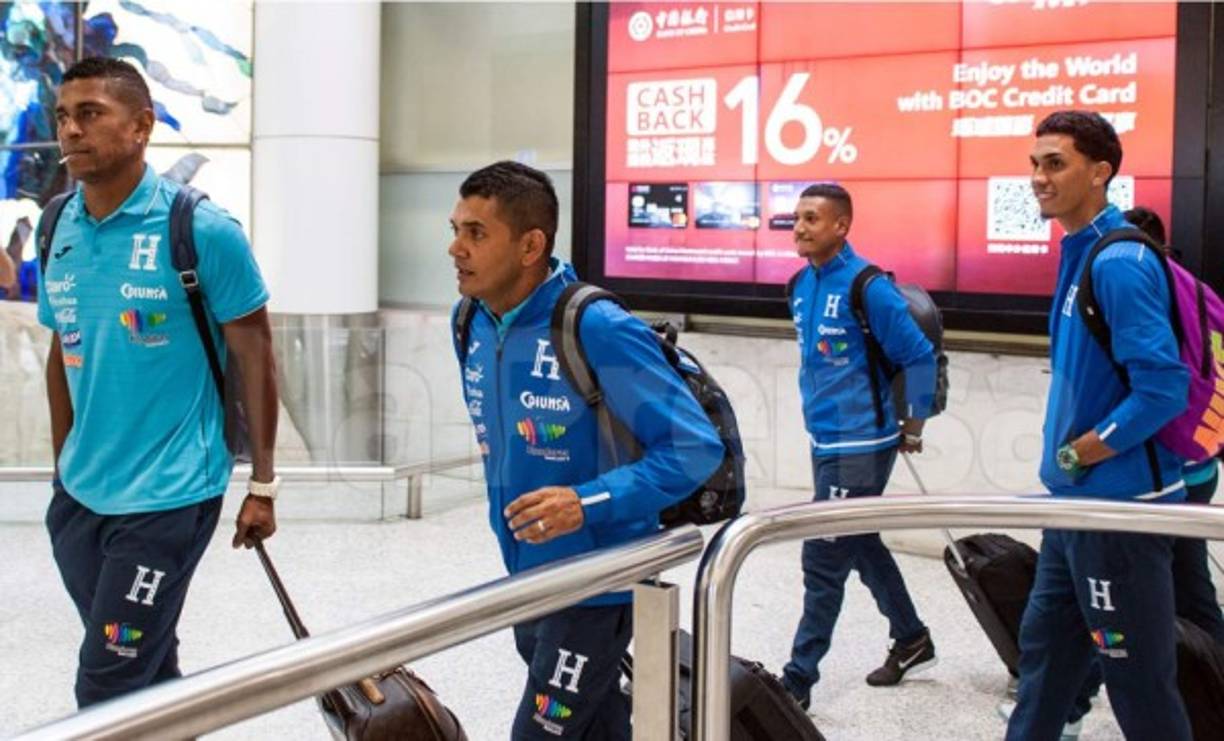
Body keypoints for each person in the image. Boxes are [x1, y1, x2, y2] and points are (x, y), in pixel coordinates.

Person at [448, 160, 723, 739]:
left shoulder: (594, 326)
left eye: (476, 233)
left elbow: (694, 450)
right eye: (455, 230)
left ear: (530, 246)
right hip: (526, 574)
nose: (455, 248)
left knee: (541, 733)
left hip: (601, 583)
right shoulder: (469, 320)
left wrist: (587, 502)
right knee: (598, 728)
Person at [38, 57, 280, 707]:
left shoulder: (200, 229)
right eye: (64, 116)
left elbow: (256, 355)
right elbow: (62, 349)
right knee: (148, 666)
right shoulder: (56, 224)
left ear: (143, 125)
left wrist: (262, 482)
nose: (71, 131)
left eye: (91, 114)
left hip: (170, 495)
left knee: (107, 679)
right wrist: (64, 466)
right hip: (81, 498)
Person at [1005, 111, 1192, 741]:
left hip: (1117, 509)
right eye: (1034, 163)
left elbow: (1163, 388)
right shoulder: (1080, 251)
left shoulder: (1117, 264)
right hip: (1075, 506)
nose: (1037, 176)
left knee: (1137, 683)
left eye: (1054, 163)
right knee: (1046, 657)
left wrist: (1083, 451)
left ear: (1101, 171)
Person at [780, 182, 938, 711]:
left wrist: (913, 425)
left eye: (812, 219)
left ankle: (797, 681)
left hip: (864, 442)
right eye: (797, 218)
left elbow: (918, 356)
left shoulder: (867, 286)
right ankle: (912, 637)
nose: (800, 227)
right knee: (859, 539)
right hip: (824, 438)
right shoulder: (799, 285)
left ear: (841, 226)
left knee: (823, 555)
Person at [1121, 205, 1224, 643]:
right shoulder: (1197, 291)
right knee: (1186, 577)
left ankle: (1211, 679)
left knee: (1172, 583)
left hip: (1159, 468)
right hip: (1201, 458)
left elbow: (1152, 389)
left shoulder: (1144, 295)